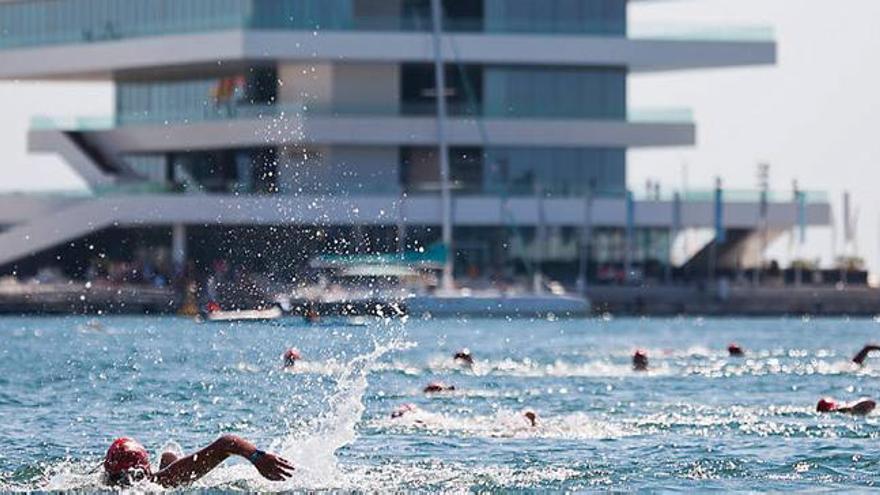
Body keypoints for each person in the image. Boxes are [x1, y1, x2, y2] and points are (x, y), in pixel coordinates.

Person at [103, 435, 293, 488]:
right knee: (169, 459)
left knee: (171, 461)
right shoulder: (166, 480)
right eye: (116, 478)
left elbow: (226, 443)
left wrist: (257, 457)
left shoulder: (166, 482)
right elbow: (226, 443)